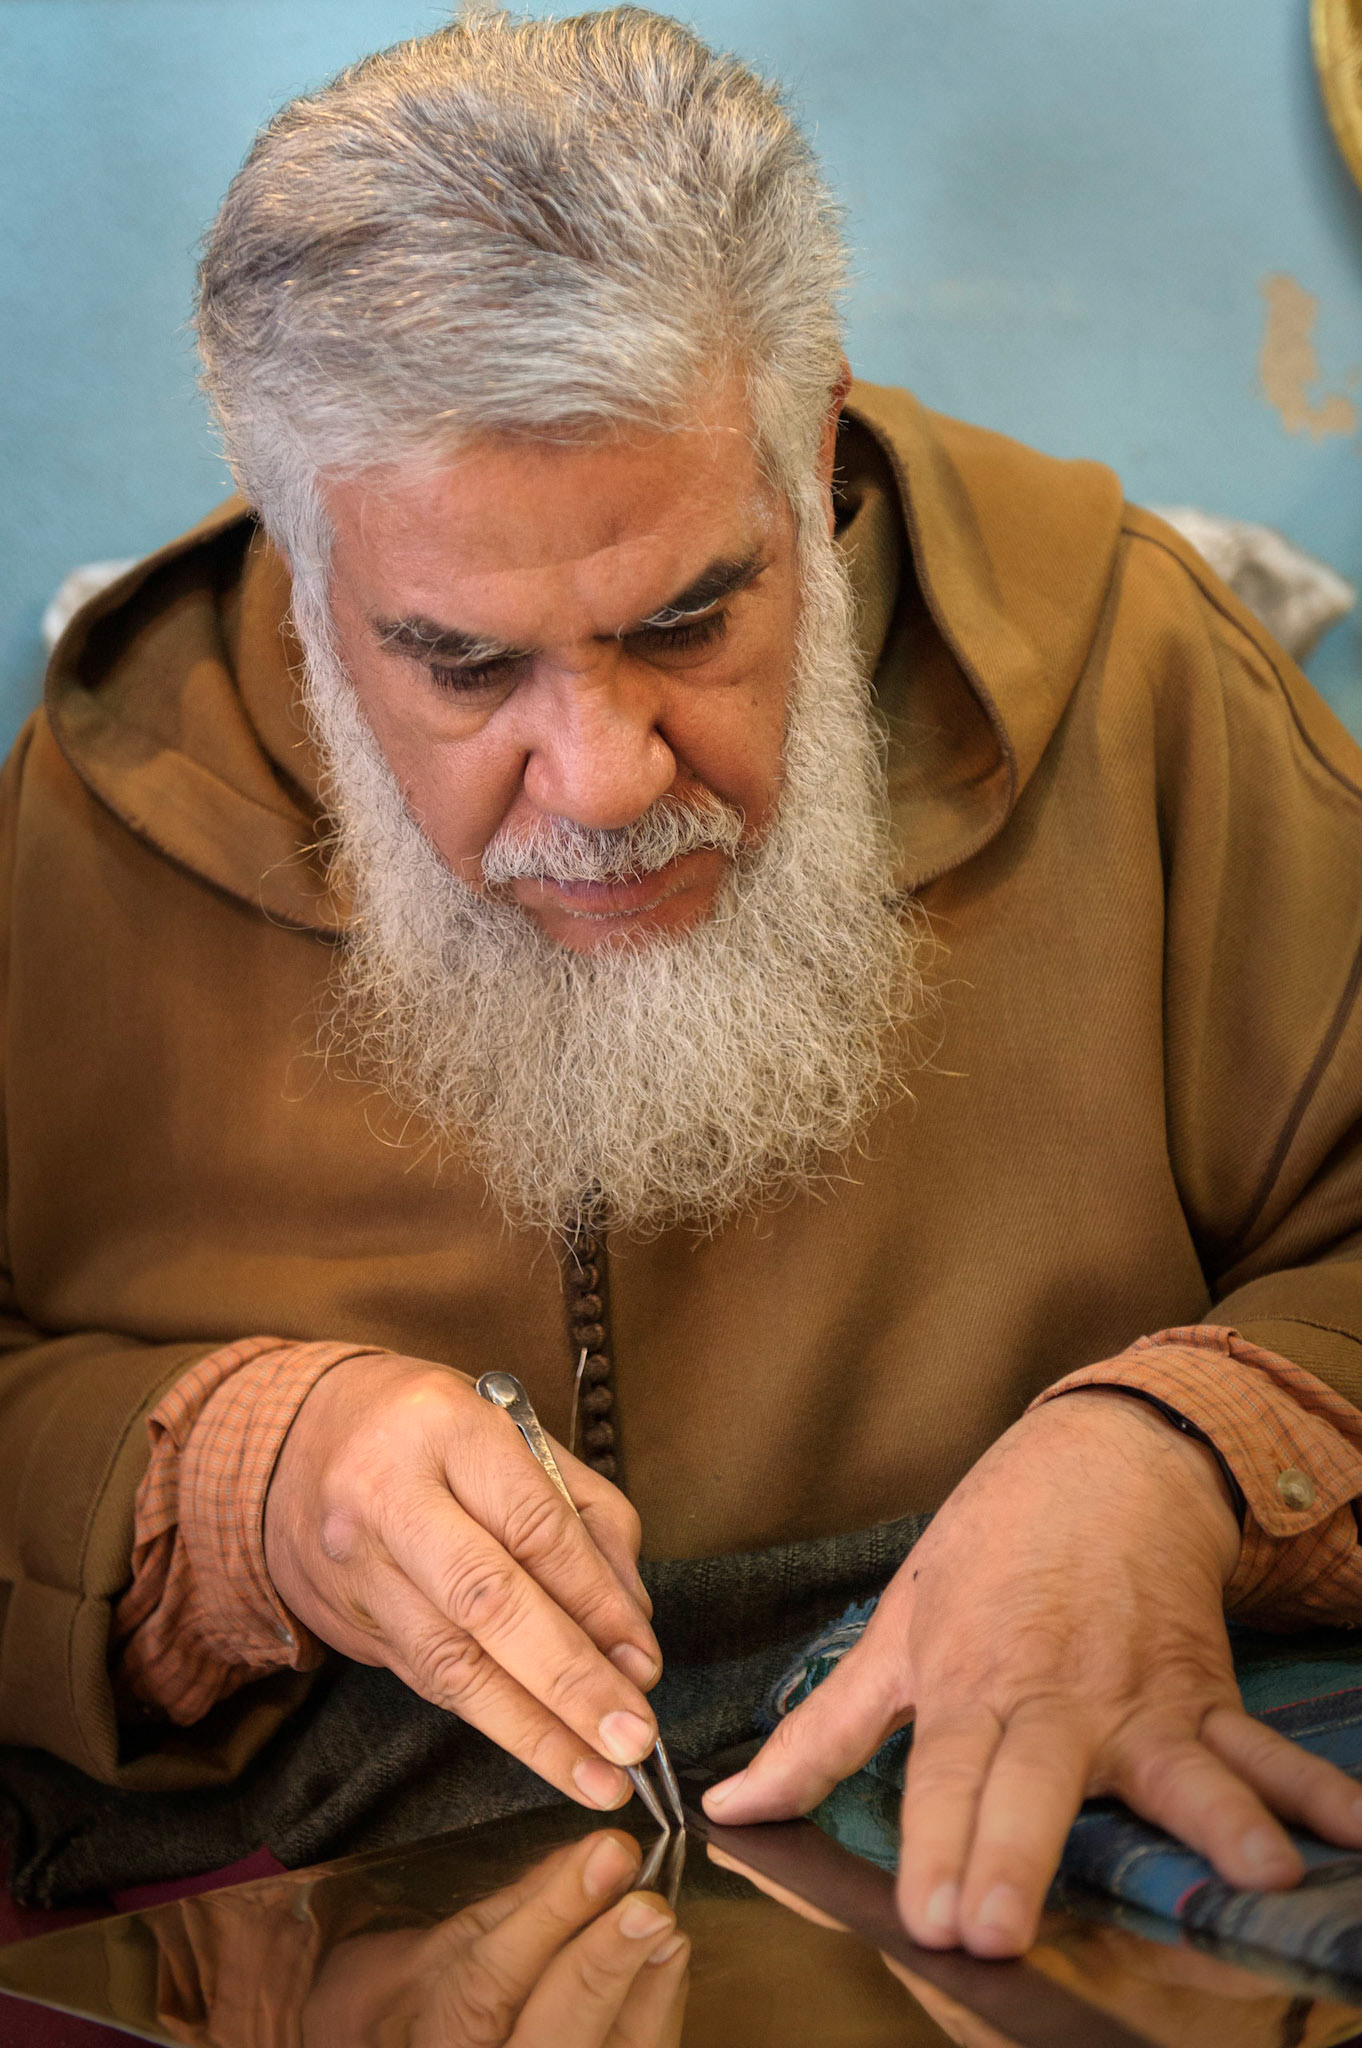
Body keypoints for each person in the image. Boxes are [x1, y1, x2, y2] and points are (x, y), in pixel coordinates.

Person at [3, 3, 1362, 1968]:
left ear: (807, 462)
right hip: (309, 1915)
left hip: (1053, 1841)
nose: (609, 776)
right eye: (465, 668)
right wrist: (243, 1483)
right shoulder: (111, 793)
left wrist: (1189, 1451)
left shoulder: (1132, 672)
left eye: (691, 618)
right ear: (309, 582)